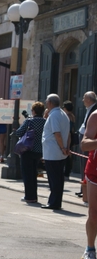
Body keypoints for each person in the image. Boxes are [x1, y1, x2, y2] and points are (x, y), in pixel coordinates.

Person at [41, 94, 70, 210]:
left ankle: (53, 202)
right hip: (59, 152)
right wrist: (66, 147)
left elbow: (57, 133)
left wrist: (63, 147)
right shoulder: (63, 114)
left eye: (47, 102)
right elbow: (67, 134)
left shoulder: (54, 115)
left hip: (53, 151)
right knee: (58, 178)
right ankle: (56, 201)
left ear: (50, 103)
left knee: (53, 178)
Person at [16, 101, 46, 203]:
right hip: (39, 151)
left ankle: (29, 196)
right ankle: (34, 195)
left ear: (33, 111)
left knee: (27, 174)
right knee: (34, 173)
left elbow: (19, 132)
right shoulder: (45, 121)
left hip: (28, 150)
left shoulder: (30, 121)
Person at [80, 108, 97, 259]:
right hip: (96, 171)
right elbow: (84, 144)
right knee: (94, 214)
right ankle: (90, 249)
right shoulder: (96, 116)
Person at [77, 91, 97, 197]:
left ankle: (84, 188)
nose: (82, 100)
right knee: (83, 165)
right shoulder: (91, 111)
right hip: (87, 141)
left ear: (89, 100)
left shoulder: (94, 110)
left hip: (91, 144)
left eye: (84, 98)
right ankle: (83, 187)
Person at [62, 100, 76, 180]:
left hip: (68, 135)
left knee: (66, 155)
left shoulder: (67, 116)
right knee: (68, 155)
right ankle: (67, 172)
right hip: (70, 134)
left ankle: (66, 172)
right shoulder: (72, 116)